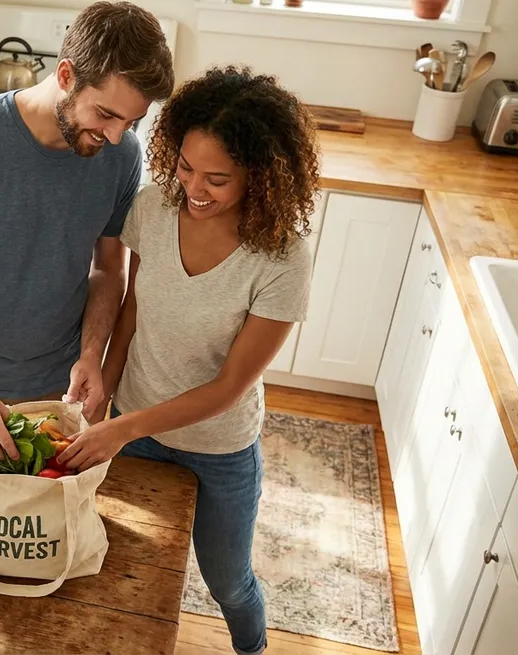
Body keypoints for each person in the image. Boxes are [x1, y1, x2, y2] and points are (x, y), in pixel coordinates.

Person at [58, 65, 322, 655]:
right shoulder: (155, 208)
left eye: (218, 179)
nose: (195, 189)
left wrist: (122, 429)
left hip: (219, 447)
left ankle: (251, 649)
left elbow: (230, 386)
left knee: (228, 581)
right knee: (121, 560)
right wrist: (105, 383)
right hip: (133, 422)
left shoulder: (282, 257)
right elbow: (131, 310)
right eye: (184, 166)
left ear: (262, 176)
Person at [0, 1, 174, 461]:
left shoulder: (122, 156)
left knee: (47, 529)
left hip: (59, 394)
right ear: (65, 75)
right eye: (105, 114)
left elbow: (107, 270)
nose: (118, 135)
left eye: (131, 121)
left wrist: (91, 354)